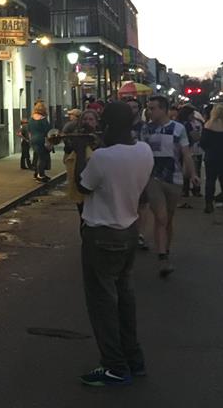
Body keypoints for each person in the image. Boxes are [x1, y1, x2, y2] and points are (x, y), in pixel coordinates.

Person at [77, 102, 154, 387]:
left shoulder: (102, 158)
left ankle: (114, 366)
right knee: (125, 298)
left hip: (101, 233)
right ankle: (134, 358)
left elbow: (82, 186)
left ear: (107, 126)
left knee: (102, 303)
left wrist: (82, 151)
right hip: (129, 229)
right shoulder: (144, 151)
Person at [139, 96, 199, 277]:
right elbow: (142, 153)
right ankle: (162, 256)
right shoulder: (146, 129)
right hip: (153, 177)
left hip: (174, 177)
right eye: (148, 108)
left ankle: (165, 248)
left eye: (153, 108)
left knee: (168, 218)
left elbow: (186, 153)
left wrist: (193, 174)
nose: (150, 112)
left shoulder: (178, 128)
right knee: (161, 216)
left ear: (164, 109)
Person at [65, 110, 100, 215]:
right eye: (84, 119)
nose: (87, 122)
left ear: (96, 122)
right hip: (79, 179)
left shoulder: (99, 138)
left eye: (90, 119)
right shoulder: (76, 137)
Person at [177, 105, 203, 202]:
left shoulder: (179, 123)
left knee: (185, 170)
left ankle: (185, 189)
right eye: (191, 113)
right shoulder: (187, 124)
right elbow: (195, 137)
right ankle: (195, 189)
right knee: (194, 170)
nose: (193, 115)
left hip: (183, 150)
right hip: (191, 149)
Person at [28, 100, 52, 181]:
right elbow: (48, 131)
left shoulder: (31, 119)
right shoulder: (43, 119)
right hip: (42, 140)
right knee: (42, 158)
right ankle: (40, 175)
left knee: (36, 156)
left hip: (33, 139)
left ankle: (36, 173)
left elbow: (29, 130)